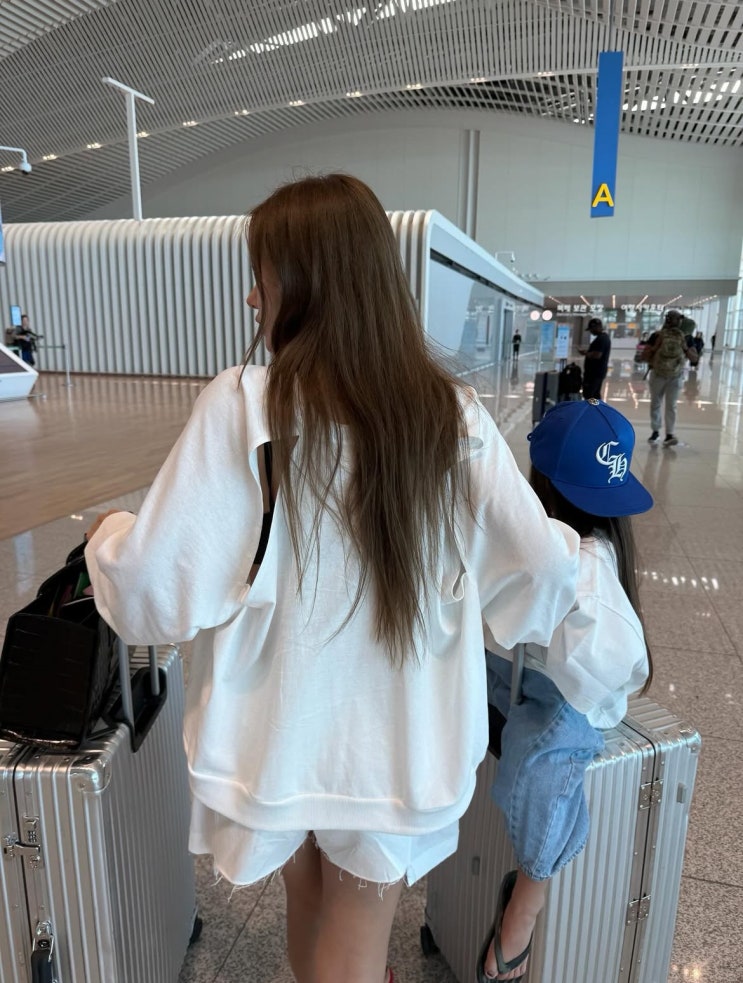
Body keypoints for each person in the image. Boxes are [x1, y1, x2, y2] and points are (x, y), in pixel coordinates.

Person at [84, 174, 580, 983]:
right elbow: (542, 567)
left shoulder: (244, 406)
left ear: (307, 281)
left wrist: (108, 536)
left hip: (274, 737)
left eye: (263, 275)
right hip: (397, 744)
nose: (252, 297)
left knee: (312, 914)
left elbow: (151, 586)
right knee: (346, 935)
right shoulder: (447, 414)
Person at [477, 398, 653, 983]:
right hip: (512, 670)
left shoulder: (588, 570)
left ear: (541, 481)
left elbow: (609, 676)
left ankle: (527, 899)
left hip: (562, 691)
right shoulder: (544, 543)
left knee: (549, 755)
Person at [645, 309, 697, 447]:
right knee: (670, 406)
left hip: (659, 374)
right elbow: (694, 359)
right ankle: (668, 434)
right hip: (675, 375)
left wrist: (654, 350)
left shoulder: (657, 335)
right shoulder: (685, 337)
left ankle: (657, 432)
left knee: (656, 403)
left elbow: (644, 356)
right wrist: (686, 349)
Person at [578, 318, 610, 400]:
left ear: (597, 327)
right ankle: (597, 407)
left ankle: (592, 407)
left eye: (591, 329)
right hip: (597, 372)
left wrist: (585, 353)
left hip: (594, 373)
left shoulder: (602, 339)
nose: (591, 332)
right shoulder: (603, 338)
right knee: (595, 394)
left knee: (589, 394)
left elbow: (597, 355)